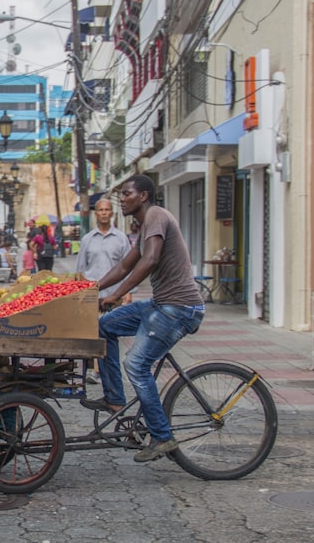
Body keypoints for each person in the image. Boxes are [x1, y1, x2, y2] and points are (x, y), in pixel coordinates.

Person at [82, 174, 205, 463]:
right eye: (121, 194)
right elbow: (126, 264)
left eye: (127, 194)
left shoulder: (156, 216)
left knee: (136, 365)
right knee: (104, 327)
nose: (121, 199)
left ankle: (162, 437)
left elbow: (149, 261)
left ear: (144, 196)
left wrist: (116, 295)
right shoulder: (142, 226)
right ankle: (114, 398)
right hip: (161, 304)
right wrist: (91, 288)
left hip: (180, 308)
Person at [76, 197, 132, 384]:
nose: (104, 213)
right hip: (92, 295)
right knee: (91, 332)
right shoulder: (87, 239)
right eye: (101, 210)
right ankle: (93, 369)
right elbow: (80, 269)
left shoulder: (121, 239)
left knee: (110, 333)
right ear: (96, 213)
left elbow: (128, 267)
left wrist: (128, 292)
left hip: (113, 295)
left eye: (107, 210)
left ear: (111, 213)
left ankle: (109, 370)